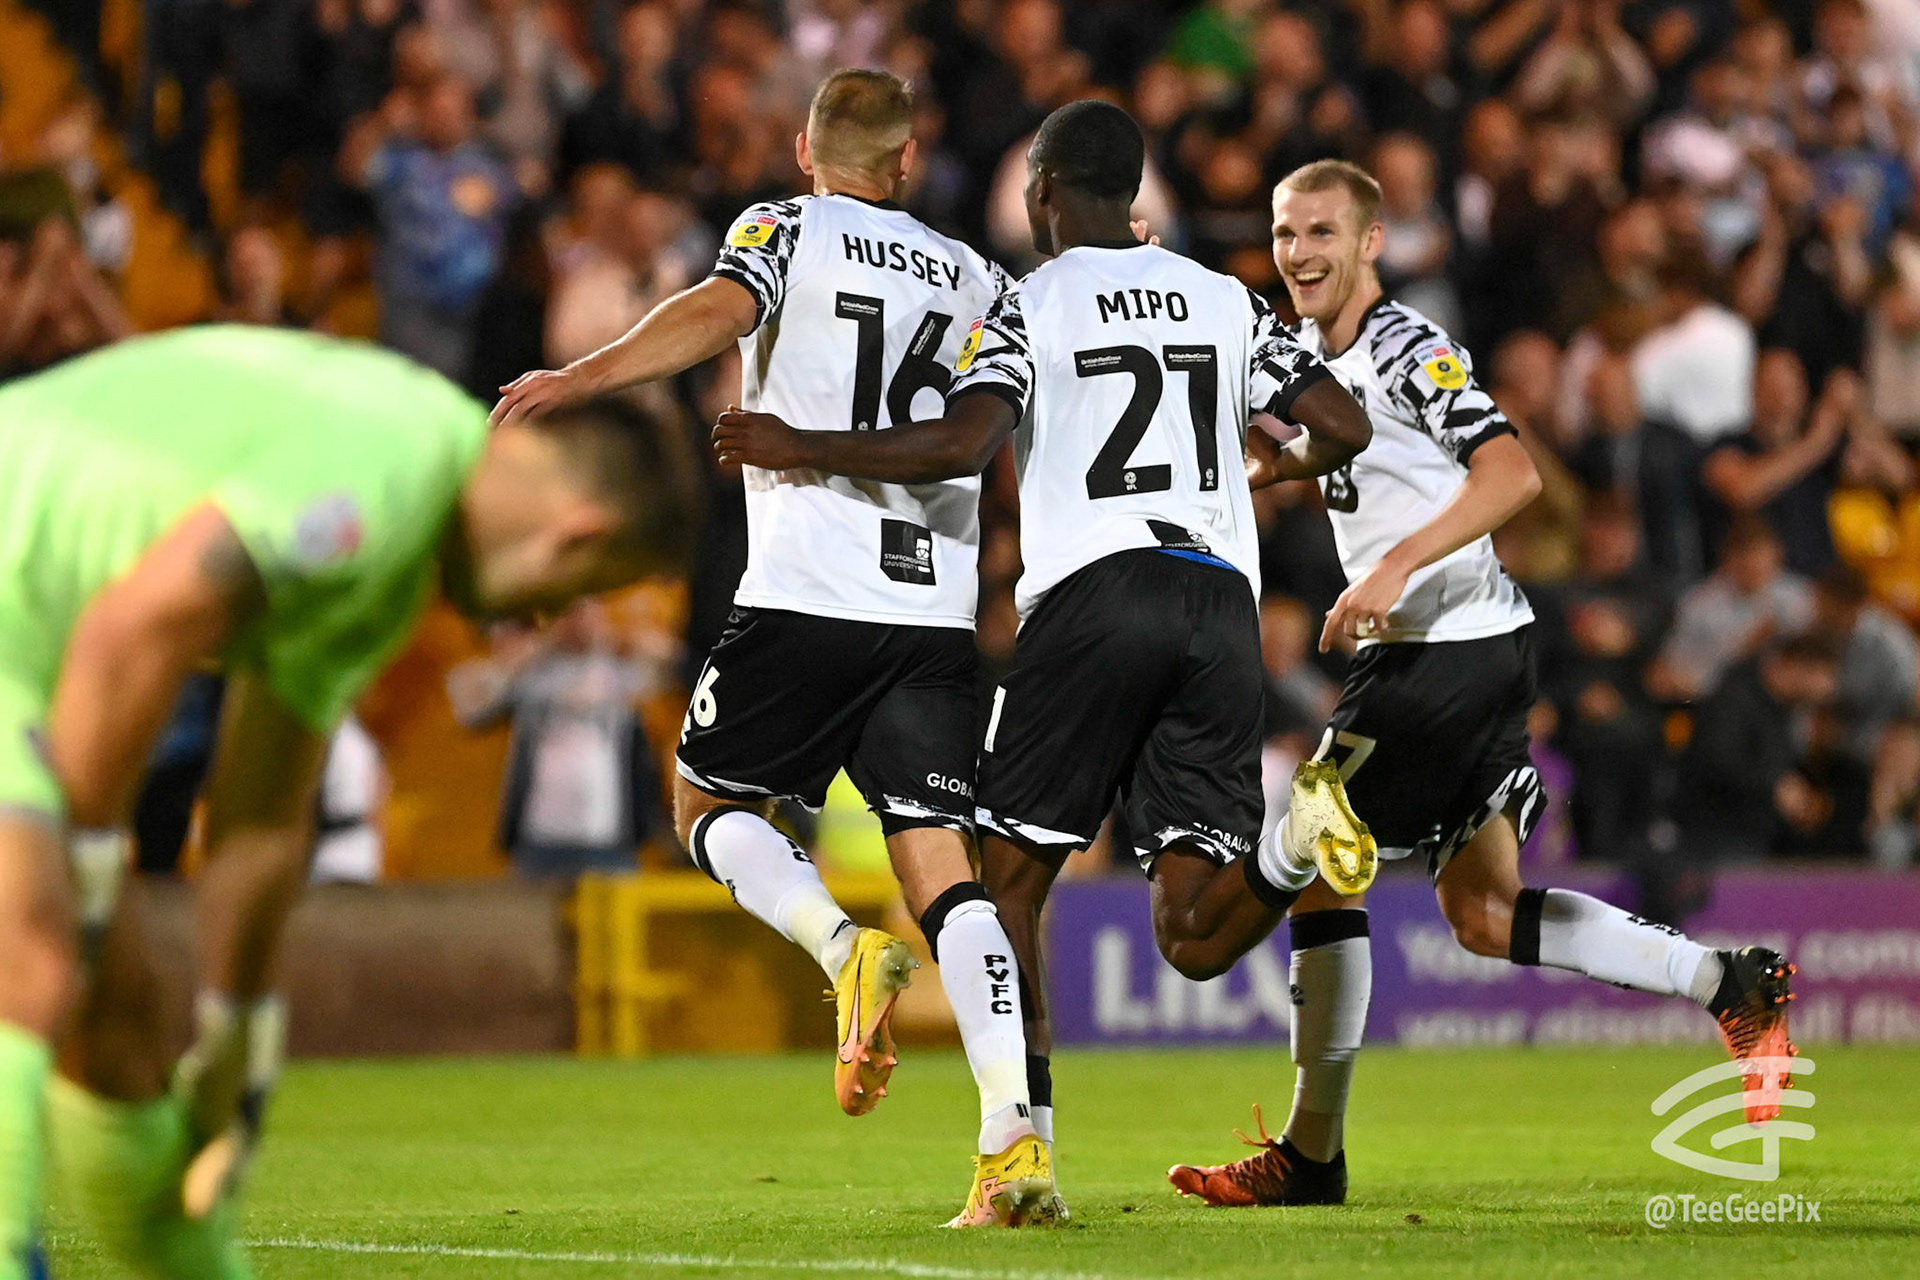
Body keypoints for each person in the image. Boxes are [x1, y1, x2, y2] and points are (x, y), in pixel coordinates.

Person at [713, 98, 1378, 1217]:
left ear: (1046, 190)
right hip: (1218, 600)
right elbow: (1346, 427)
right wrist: (1268, 466)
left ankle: (1024, 1159)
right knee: (1193, 929)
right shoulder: (1225, 296)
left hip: (1094, 598)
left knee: (1006, 885)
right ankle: (1294, 840)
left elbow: (961, 440)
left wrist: (799, 442)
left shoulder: (1028, 300)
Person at [1164, 159, 1799, 1210]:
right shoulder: (1319, 362)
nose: (1299, 253)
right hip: (1476, 647)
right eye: (1285, 233)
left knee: (1319, 862)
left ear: (1372, 242)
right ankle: (1726, 980)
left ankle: (1311, 1155)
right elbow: (1348, 453)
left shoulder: (1406, 345)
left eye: (1322, 232)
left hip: (1437, 654)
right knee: (1484, 911)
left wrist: (1392, 567)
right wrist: (1269, 464)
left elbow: (1512, 472)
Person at [0, 325, 682, 1279]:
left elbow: (261, 813)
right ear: (582, 532)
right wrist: (86, 863)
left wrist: (237, 1038)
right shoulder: (391, 459)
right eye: (575, 591)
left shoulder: (391, 569)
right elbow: (132, 629)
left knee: (118, 1033)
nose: (538, 618)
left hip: (33, 647)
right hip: (26, 633)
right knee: (35, 961)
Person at [491, 69, 1050, 1228]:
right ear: (907, 161)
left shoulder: (782, 229)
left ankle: (843, 949)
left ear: (805, 149)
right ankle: (1016, 1143)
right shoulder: (979, 276)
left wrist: (580, 377)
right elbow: (989, 434)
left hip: (803, 592)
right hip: (932, 615)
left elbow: (717, 309)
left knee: (702, 801)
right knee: (947, 875)